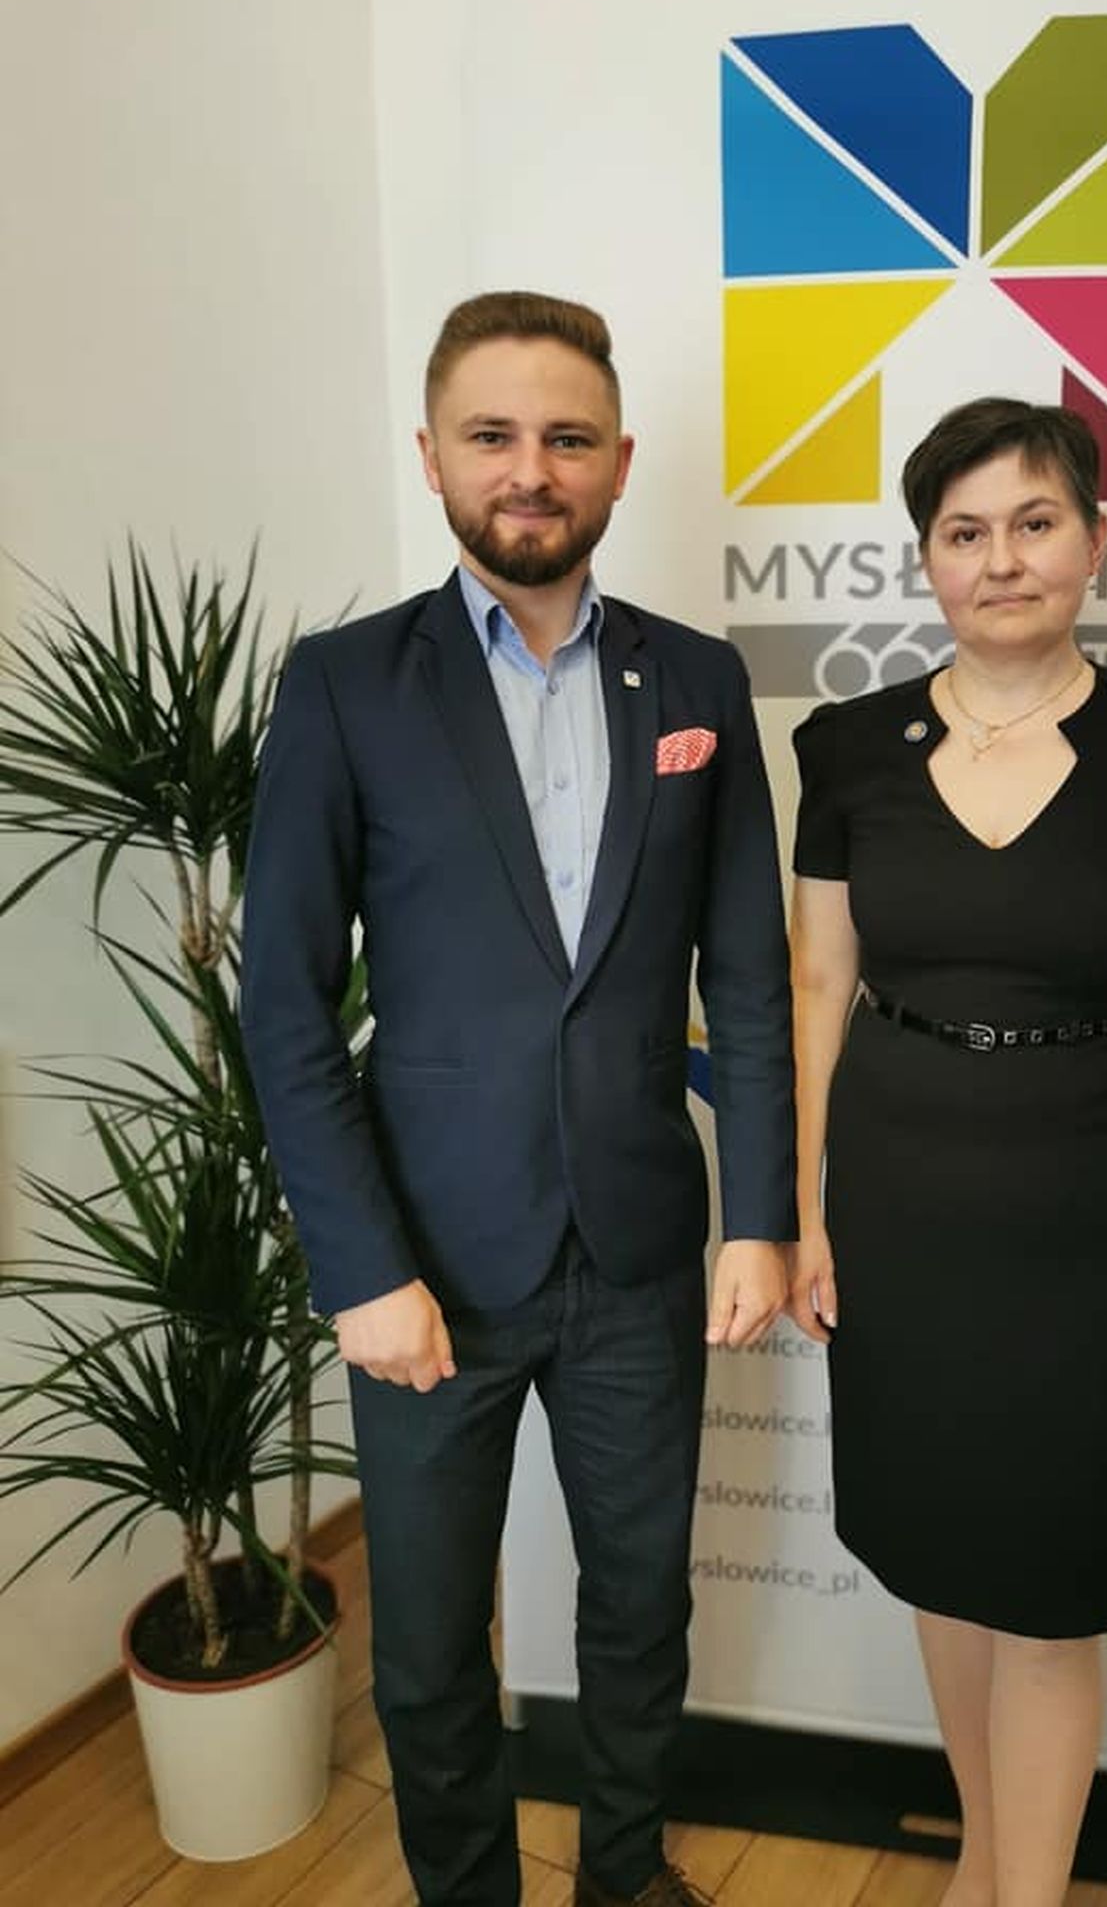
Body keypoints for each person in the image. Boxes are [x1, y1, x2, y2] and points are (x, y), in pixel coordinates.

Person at [241, 291, 794, 1907]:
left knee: (640, 1609)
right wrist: (359, 1268)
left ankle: (623, 1873)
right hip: (424, 1268)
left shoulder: (698, 681)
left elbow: (750, 981)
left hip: (637, 1255)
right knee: (425, 1647)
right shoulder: (344, 684)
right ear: (432, 456)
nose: (530, 469)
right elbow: (285, 1004)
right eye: (492, 435)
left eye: (567, 437)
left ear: (620, 461)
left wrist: (759, 1216)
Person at [786, 398, 1107, 1907]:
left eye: (1035, 523)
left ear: (1095, 542)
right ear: (927, 557)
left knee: (1053, 1596)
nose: (1001, 560)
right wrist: (807, 1217)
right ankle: (985, 1861)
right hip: (898, 1206)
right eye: (966, 531)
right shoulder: (845, 747)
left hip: (1093, 1218)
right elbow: (815, 989)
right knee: (941, 1558)